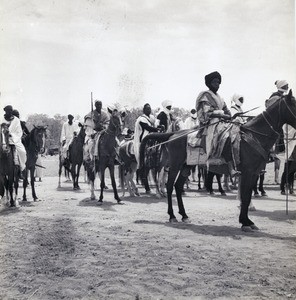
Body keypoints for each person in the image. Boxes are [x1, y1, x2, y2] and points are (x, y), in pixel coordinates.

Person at [195, 71, 238, 177]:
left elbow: (226, 111)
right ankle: (230, 167)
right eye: (214, 82)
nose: (217, 84)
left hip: (221, 123)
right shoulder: (205, 95)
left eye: (218, 82)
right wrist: (222, 115)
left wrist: (230, 116)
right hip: (210, 125)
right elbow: (206, 113)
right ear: (209, 83)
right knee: (227, 137)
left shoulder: (220, 97)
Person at [2, 105, 27, 174]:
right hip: (3, 139)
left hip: (14, 139)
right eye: (8, 110)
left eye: (11, 110)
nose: (9, 112)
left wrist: (12, 135)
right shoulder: (2, 119)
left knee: (22, 152)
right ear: (5, 111)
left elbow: (19, 131)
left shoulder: (16, 120)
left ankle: (22, 167)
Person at [184, 109, 199, 182]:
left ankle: (194, 177)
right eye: (192, 112)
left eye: (194, 112)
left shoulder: (199, 119)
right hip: (190, 139)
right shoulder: (187, 120)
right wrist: (194, 128)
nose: (194, 113)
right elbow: (186, 131)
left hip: (197, 139)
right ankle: (187, 177)